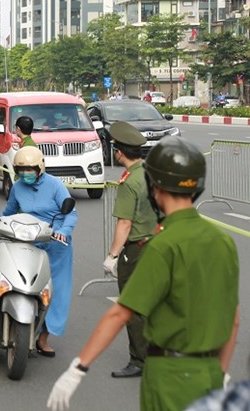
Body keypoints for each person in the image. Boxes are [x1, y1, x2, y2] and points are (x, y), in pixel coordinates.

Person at [47, 137, 240, 411]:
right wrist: (219, 373)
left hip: (169, 377)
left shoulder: (162, 245)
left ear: (156, 187)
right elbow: (233, 319)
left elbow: (120, 312)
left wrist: (78, 369)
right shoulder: (223, 241)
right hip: (209, 373)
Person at [3, 146, 77, 357]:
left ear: (40, 168)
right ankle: (21, 327)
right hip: (28, 243)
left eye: (30, 169)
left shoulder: (55, 186)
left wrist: (63, 231)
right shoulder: (17, 187)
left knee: (54, 292)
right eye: (21, 169)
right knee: (21, 283)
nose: (25, 173)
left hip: (55, 245)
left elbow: (70, 213)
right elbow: (8, 213)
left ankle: (44, 338)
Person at [99, 121, 158, 378]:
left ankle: (139, 361)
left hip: (136, 251)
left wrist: (112, 256)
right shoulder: (152, 175)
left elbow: (124, 223)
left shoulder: (130, 181)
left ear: (119, 152)